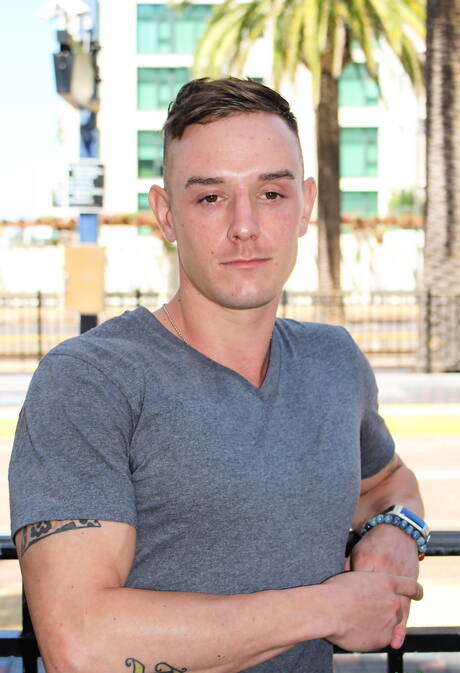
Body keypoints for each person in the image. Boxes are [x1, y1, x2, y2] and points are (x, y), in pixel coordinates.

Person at [9, 77, 427, 673]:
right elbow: (82, 645)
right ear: (166, 214)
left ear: (306, 204)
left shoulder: (333, 361)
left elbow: (388, 483)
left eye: (272, 193)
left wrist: (395, 530)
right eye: (210, 197)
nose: (244, 226)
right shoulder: (90, 381)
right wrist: (329, 609)